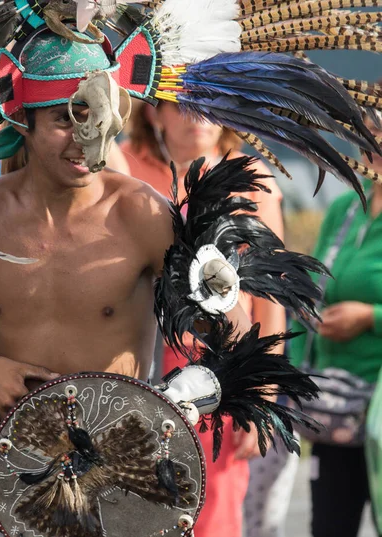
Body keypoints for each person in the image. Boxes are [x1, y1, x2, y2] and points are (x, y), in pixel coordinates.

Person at [0, 2, 379, 535]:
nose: (84, 140)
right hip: (13, 472)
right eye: (65, 120)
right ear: (24, 121)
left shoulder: (147, 214)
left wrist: (173, 399)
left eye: (96, 118)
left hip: (133, 476)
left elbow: (236, 349)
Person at [121, 102, 289, 537]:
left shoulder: (251, 177)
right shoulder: (123, 167)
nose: (197, 116)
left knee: (214, 510)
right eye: (181, 104)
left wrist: (263, 393)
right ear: (155, 113)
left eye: (210, 104)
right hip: (133, 360)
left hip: (223, 365)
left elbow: (272, 292)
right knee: (135, 501)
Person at [290, 119, 382, 537]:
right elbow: (309, 296)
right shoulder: (345, 210)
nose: (374, 147)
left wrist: (370, 317)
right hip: (336, 412)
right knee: (328, 527)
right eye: (369, 138)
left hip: (378, 407)